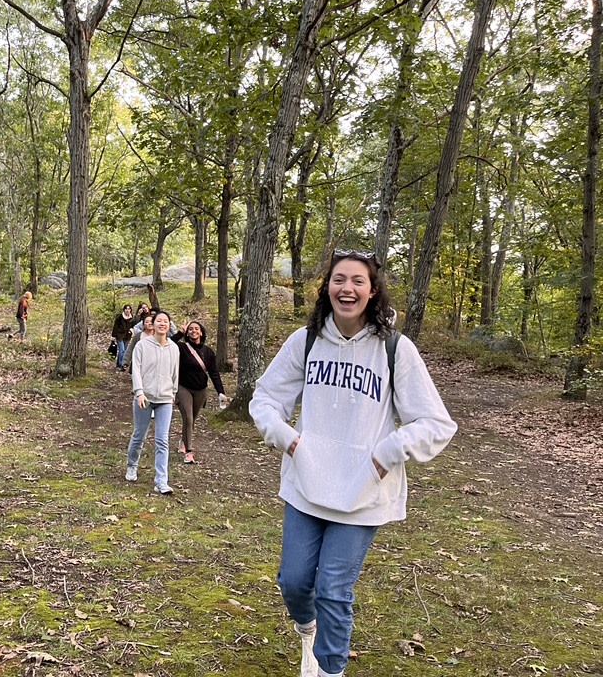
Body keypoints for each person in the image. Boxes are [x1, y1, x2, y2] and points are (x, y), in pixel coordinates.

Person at [249, 249, 456, 677]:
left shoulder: (396, 349)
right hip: (307, 483)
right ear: (327, 288)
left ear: (373, 290)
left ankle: (330, 669)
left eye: (358, 281)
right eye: (339, 279)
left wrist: (385, 454)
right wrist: (286, 439)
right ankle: (307, 632)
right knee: (294, 583)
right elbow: (266, 398)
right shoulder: (305, 341)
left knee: (333, 590)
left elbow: (436, 422)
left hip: (363, 492)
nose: (348, 288)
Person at [125, 310, 180, 496]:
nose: (162, 324)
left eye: (166, 321)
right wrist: (139, 393)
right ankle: (132, 465)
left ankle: (161, 481)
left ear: (169, 325)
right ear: (153, 324)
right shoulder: (142, 345)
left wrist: (173, 393)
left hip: (165, 399)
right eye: (159, 321)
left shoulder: (174, 348)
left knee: (162, 440)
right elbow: (137, 371)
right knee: (140, 435)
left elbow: (175, 373)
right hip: (145, 398)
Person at [173, 321, 227, 465]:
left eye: (196, 329)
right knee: (188, 419)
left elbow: (214, 373)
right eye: (190, 329)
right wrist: (180, 333)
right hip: (183, 388)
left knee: (191, 420)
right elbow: (168, 344)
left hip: (201, 391)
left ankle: (183, 441)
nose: (193, 331)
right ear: (187, 333)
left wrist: (220, 392)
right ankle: (189, 452)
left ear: (201, 332)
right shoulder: (181, 348)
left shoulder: (208, 352)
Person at [111, 304, 135, 370]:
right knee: (122, 350)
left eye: (129, 309)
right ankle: (122, 365)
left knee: (125, 350)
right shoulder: (120, 317)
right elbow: (115, 326)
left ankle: (119, 364)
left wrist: (132, 330)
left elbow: (134, 325)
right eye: (126, 309)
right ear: (124, 310)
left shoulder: (132, 317)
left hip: (127, 336)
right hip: (120, 335)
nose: (127, 310)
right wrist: (113, 336)